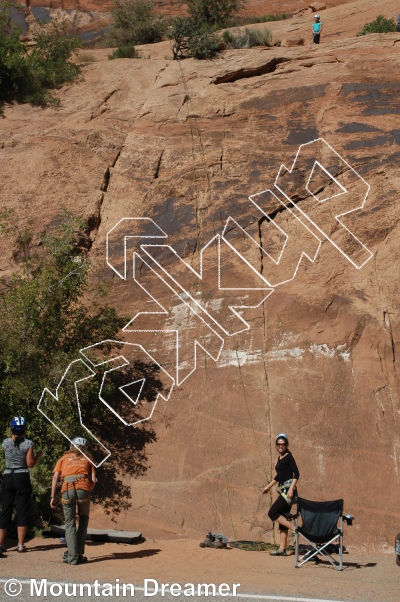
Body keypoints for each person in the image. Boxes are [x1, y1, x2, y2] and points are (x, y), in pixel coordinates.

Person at [50, 436, 97, 565]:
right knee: (83, 519)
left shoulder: (63, 459)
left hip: (67, 488)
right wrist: (87, 491)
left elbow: (55, 478)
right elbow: (94, 480)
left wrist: (52, 497)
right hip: (83, 487)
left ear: (71, 446)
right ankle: (80, 552)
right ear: (85, 448)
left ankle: (72, 557)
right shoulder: (88, 459)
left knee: (70, 524)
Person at [0, 416, 43, 555]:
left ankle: (0, 543)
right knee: (22, 510)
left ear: (12, 428)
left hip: (8, 476)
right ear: (24, 429)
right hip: (22, 476)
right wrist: (38, 456)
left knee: (5, 510)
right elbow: (30, 464)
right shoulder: (28, 443)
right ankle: (20, 545)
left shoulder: (5, 442)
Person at [262, 433, 299, 556]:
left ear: (286, 445)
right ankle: (282, 549)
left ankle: (294, 529)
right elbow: (278, 476)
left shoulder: (289, 457)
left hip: (288, 491)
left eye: (283, 444)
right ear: (276, 445)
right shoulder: (280, 458)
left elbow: (297, 474)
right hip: (283, 490)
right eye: (279, 444)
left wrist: (291, 489)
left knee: (272, 512)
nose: (281, 446)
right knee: (282, 517)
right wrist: (268, 487)